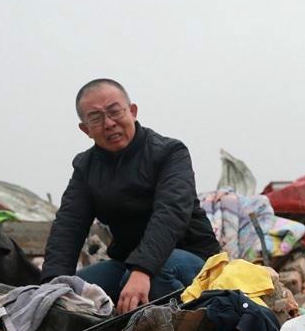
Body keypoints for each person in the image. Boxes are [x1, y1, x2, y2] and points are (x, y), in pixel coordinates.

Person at [41, 79, 221, 313]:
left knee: (147, 278)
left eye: (115, 112)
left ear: (132, 111)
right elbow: (68, 226)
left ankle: (183, 330)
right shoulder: (86, 167)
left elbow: (171, 213)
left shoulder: (170, 153)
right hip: (127, 265)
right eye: (95, 118)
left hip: (193, 260)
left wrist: (143, 270)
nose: (109, 123)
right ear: (85, 129)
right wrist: (50, 287)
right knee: (71, 292)